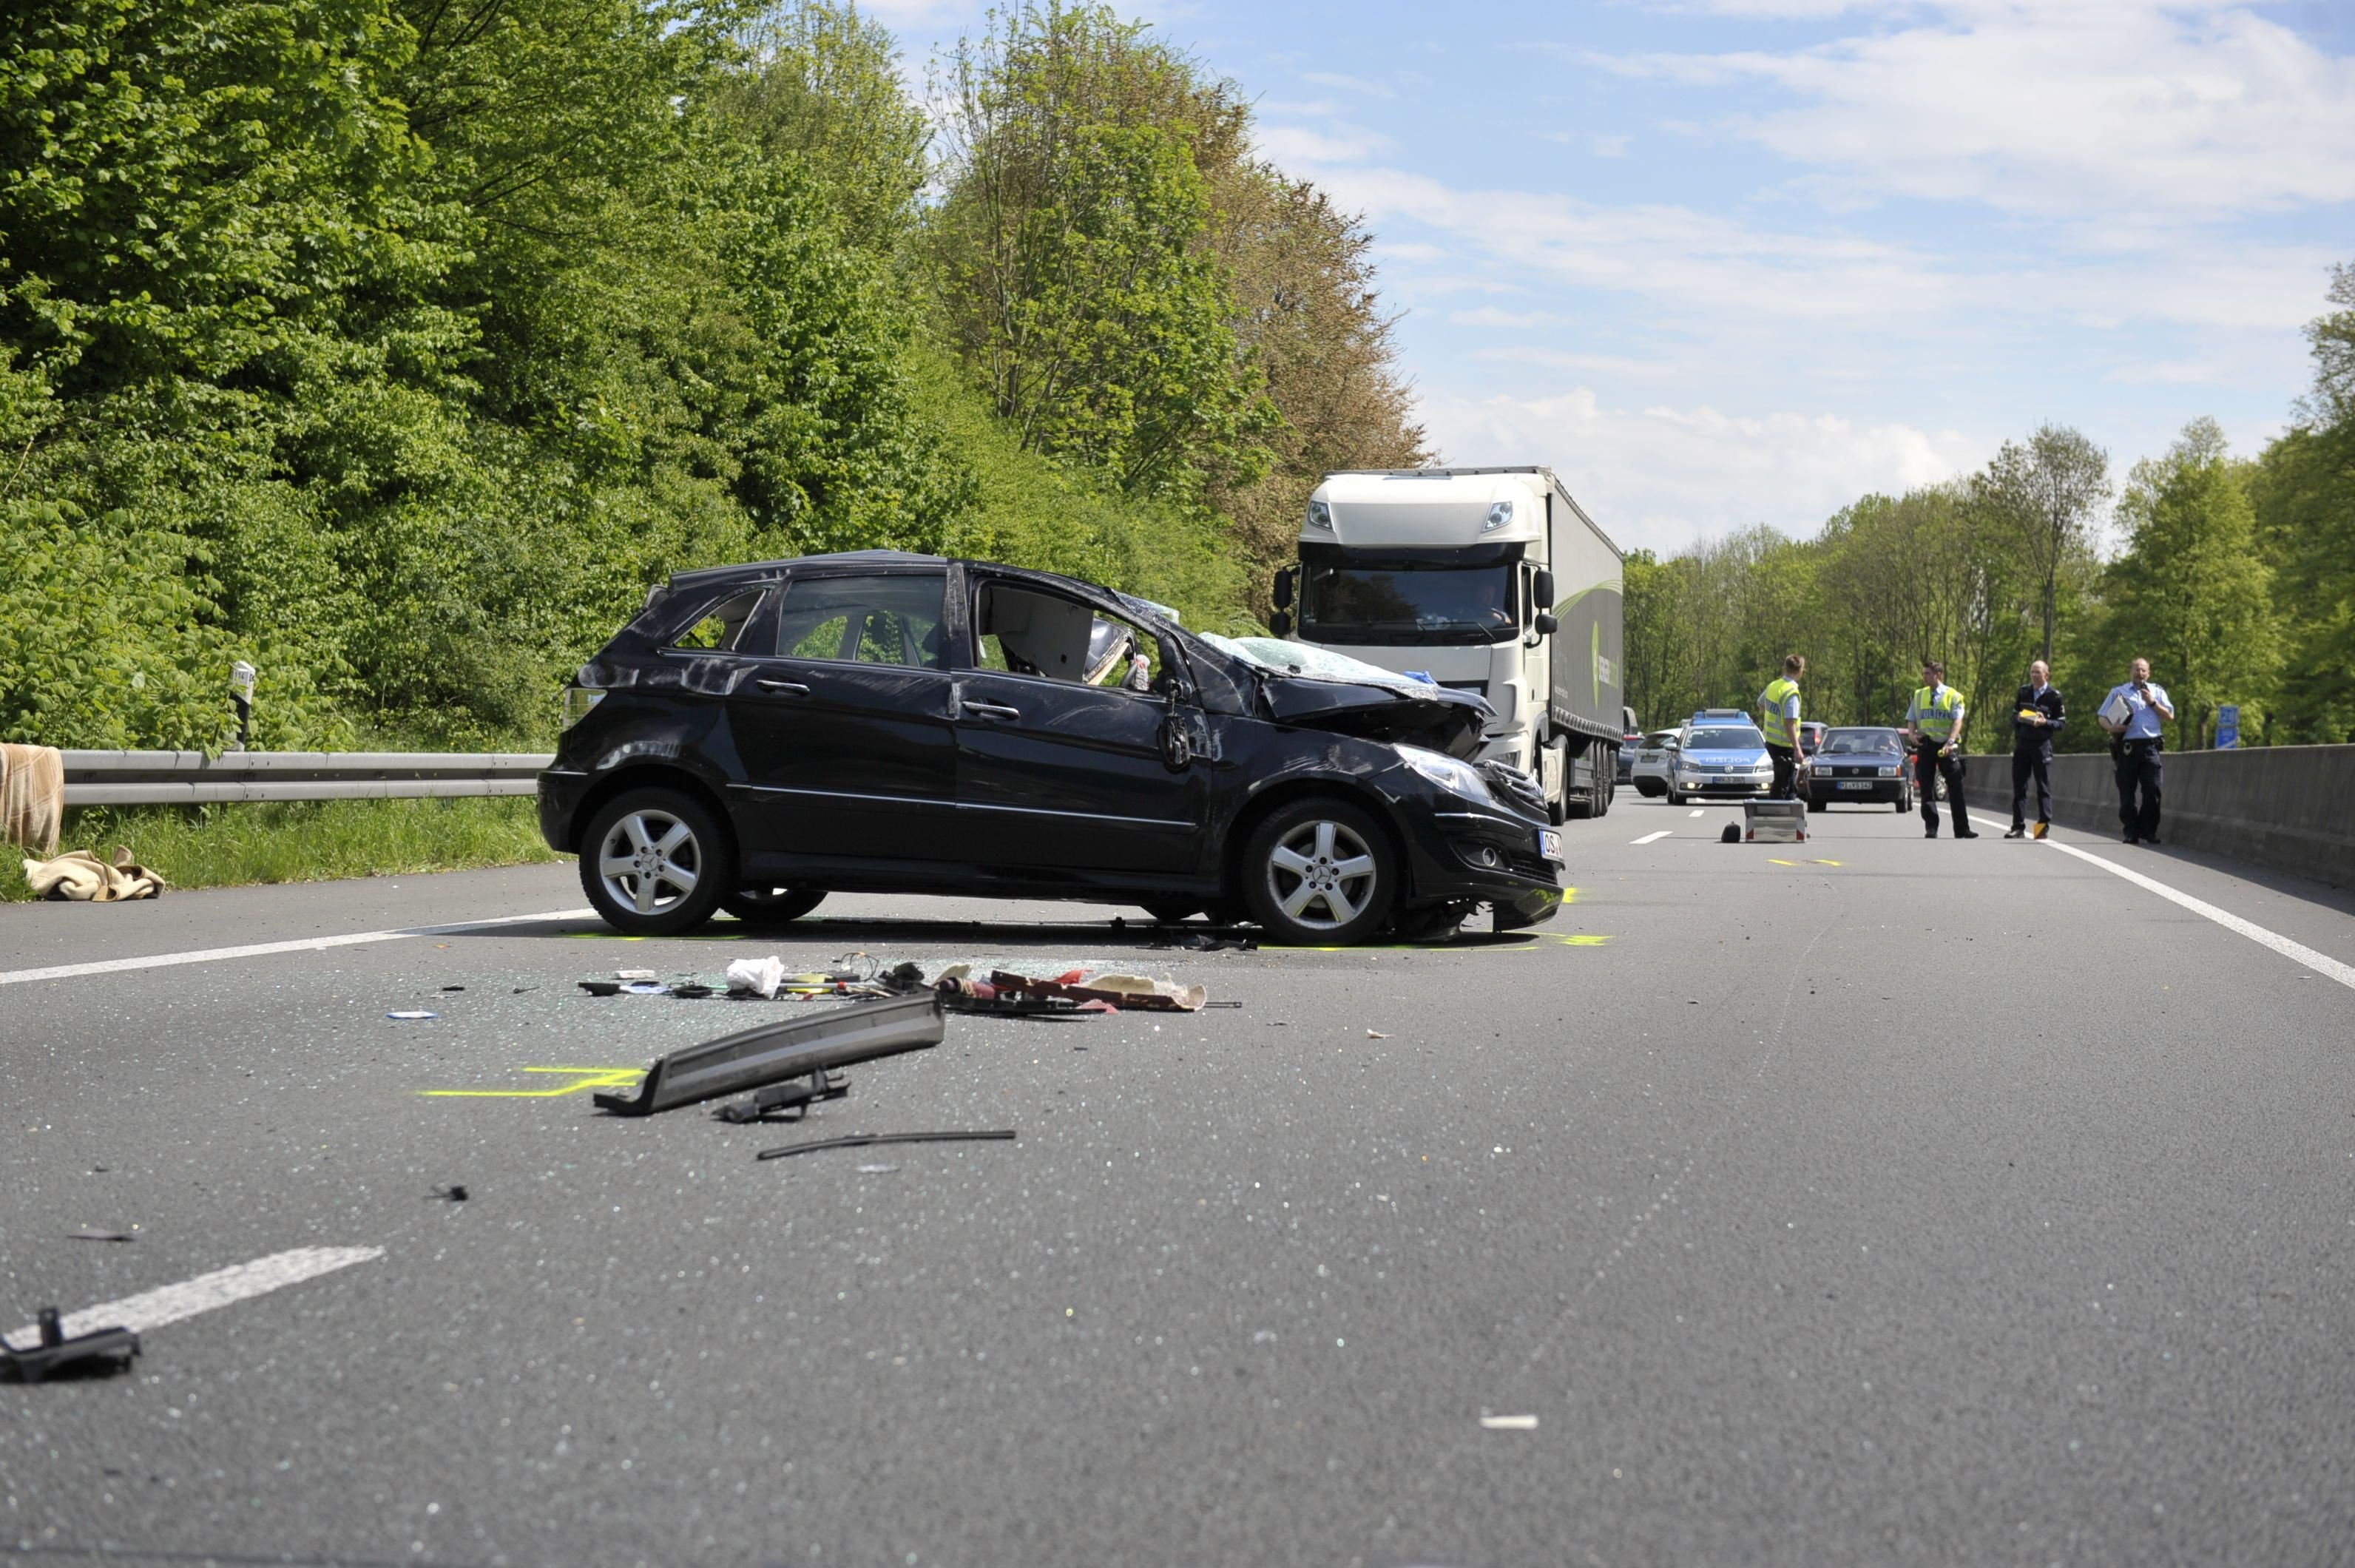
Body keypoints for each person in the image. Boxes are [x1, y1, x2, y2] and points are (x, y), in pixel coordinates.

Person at [2098, 656, 2173, 844]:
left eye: (2143, 670)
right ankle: (2131, 831)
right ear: (2131, 672)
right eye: (2137, 670)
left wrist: (2153, 703)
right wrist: (2112, 728)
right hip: (2128, 748)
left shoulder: (2157, 691)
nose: (2140, 673)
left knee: (2153, 790)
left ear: (2149, 673)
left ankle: (2148, 830)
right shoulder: (2119, 692)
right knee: (2127, 792)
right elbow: (2102, 717)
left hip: (2150, 747)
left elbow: (2170, 716)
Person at [1903, 659, 1976, 839]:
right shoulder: (1919, 695)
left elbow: (1957, 720)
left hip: (1946, 745)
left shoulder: (1953, 695)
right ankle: (1931, 827)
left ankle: (1961, 829)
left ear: (1938, 675)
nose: (1924, 677)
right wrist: (1912, 735)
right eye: (1924, 673)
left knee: (1956, 786)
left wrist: (1950, 742)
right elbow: (1911, 718)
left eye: (1927, 673)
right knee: (1926, 787)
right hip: (1926, 745)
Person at [2006, 659, 2066, 839]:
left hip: (2041, 746)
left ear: (2046, 675)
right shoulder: (2024, 691)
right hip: (2023, 744)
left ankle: (2041, 828)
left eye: (2037, 672)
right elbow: (2014, 716)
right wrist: (2022, 718)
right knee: (2019, 787)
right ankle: (2018, 827)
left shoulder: (2054, 696)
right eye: (2032, 672)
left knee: (2043, 787)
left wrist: (2044, 722)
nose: (2034, 675)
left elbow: (2061, 724)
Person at [1757, 654, 1805, 800]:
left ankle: (1782, 813)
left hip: (1771, 742)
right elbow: (1789, 722)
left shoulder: (1774, 685)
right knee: (1784, 783)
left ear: (1785, 668)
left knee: (1783, 781)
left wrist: (1772, 715)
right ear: (1800, 671)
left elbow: (1760, 703)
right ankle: (1779, 815)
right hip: (1785, 745)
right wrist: (1797, 749)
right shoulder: (1791, 692)